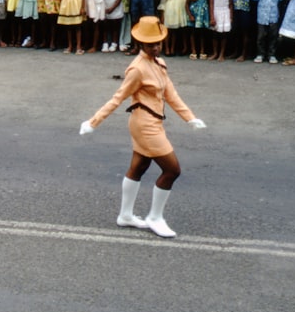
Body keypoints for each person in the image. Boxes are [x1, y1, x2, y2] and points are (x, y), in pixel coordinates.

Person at [80, 16, 206, 238]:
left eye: (158, 42)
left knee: (138, 168)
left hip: (152, 121)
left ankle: (126, 215)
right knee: (172, 170)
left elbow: (171, 94)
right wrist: (93, 122)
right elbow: (117, 98)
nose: (156, 47)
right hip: (145, 124)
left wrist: (190, 118)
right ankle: (155, 217)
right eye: (150, 44)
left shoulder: (159, 63)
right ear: (140, 44)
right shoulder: (137, 69)